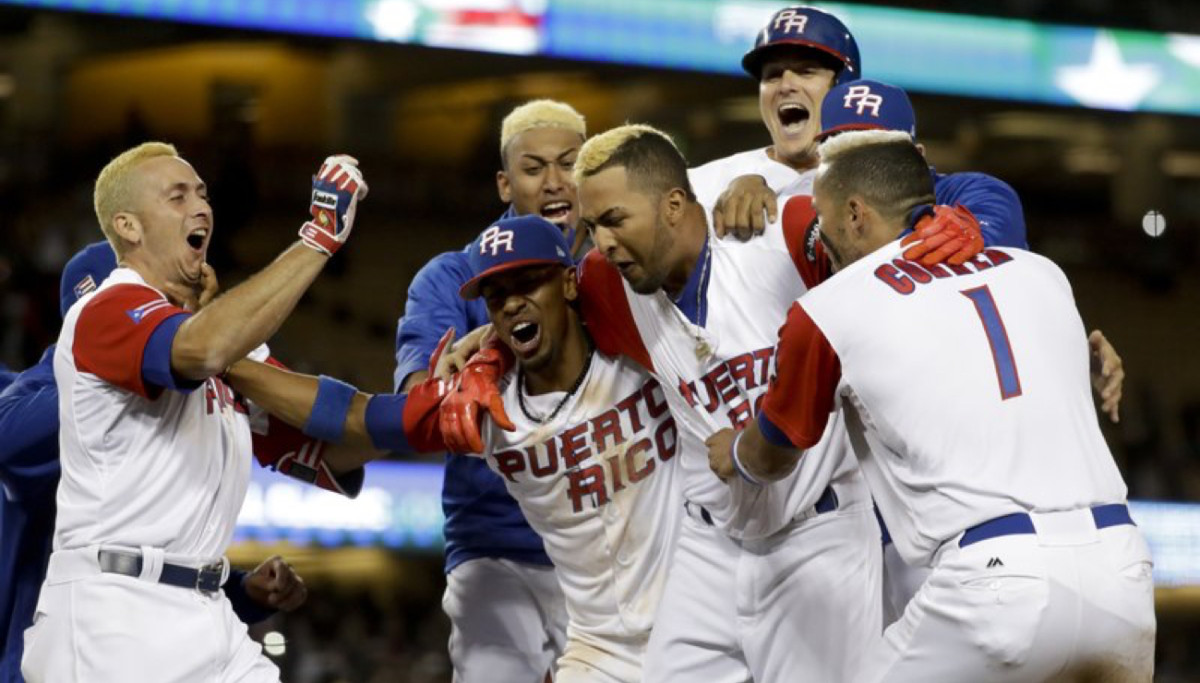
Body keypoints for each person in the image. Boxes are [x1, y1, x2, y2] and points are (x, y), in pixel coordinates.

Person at [708, 129, 1155, 682]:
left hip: (995, 577)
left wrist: (737, 452)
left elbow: (776, 452)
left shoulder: (831, 306)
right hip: (1122, 568)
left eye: (821, 224)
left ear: (854, 214)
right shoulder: (1042, 273)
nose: (819, 243)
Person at [225, 215, 683, 683]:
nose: (512, 304)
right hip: (600, 642)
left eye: (528, 282)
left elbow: (664, 224)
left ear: (570, 283)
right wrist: (229, 364)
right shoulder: (477, 405)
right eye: (496, 295)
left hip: (694, 612)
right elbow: (357, 416)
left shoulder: (636, 344)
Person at [20, 142, 367, 682]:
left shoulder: (231, 351)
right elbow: (201, 350)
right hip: (114, 615)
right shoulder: (105, 308)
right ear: (128, 227)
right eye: (177, 196)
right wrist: (318, 236)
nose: (200, 207)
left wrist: (431, 402)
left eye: (202, 193)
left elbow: (336, 443)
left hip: (210, 614)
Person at [392, 100, 585, 682]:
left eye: (569, 164)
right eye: (533, 169)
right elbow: (418, 399)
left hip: (612, 544)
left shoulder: (618, 263)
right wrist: (456, 378)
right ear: (505, 182)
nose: (554, 182)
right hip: (500, 548)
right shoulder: (453, 277)